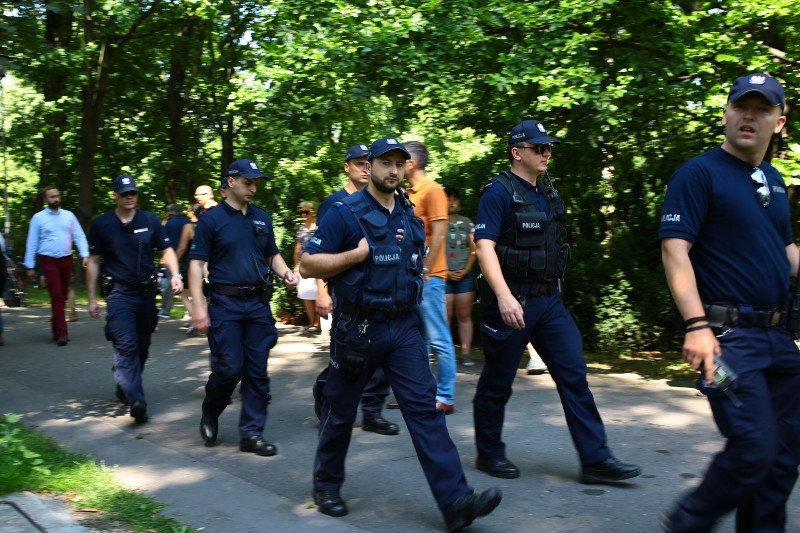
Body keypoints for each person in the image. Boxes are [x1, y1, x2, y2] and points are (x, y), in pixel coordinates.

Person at [301, 137, 501, 531]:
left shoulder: (409, 213)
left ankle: (456, 501)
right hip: (358, 328)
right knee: (341, 412)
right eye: (385, 163)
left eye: (399, 163)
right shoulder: (344, 211)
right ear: (370, 166)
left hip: (404, 327)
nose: (393, 170)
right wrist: (354, 256)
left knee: (426, 412)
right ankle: (326, 488)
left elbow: (417, 259)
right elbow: (308, 264)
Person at [659, 73, 800, 532]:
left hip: (779, 338)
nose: (750, 116)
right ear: (726, 114)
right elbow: (674, 250)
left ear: (779, 122)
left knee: (783, 456)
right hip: (726, 341)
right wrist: (696, 325)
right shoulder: (698, 174)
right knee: (753, 446)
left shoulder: (773, 181)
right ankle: (688, 520)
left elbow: (786, 252)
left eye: (762, 110)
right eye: (742, 106)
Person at [472, 119, 641, 484]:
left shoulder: (546, 192)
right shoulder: (498, 192)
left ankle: (595, 460)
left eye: (548, 147)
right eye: (539, 148)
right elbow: (483, 246)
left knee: (574, 376)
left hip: (549, 302)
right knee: (497, 381)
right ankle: (489, 453)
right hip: (513, 300)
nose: (547, 153)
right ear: (518, 153)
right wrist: (503, 297)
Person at [189, 158, 297, 456]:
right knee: (229, 368)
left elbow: (272, 255)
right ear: (231, 182)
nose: (253, 188)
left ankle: (251, 434)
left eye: (256, 183)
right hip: (225, 304)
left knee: (257, 372)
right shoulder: (211, 220)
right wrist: (199, 307)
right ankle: (211, 410)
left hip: (257, 304)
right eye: (248, 182)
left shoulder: (262, 218)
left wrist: (286, 272)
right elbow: (196, 265)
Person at [312, 144, 398, 437]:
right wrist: (322, 294)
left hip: (384, 295)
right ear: (347, 167)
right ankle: (326, 389)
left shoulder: (385, 200)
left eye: (367, 162)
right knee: (351, 354)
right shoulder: (335, 205)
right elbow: (316, 255)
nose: (364, 167)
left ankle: (373, 412)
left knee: (382, 355)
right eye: (358, 163)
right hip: (348, 294)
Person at [86, 174, 183, 423]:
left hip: (146, 293)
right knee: (126, 345)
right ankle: (137, 399)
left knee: (142, 346)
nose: (130, 197)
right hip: (119, 294)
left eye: (133, 193)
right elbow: (94, 261)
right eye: (124, 193)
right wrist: (91, 298)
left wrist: (175, 274)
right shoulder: (101, 224)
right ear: (115, 195)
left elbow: (167, 250)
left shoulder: (150, 220)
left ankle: (124, 385)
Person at [404, 141, 458, 414]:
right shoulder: (409, 192)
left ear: (411, 163)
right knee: (418, 339)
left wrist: (425, 269)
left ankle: (445, 397)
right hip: (414, 277)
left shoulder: (433, 190)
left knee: (439, 338)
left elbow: (438, 234)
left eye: (401, 160)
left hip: (430, 277)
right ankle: (420, 393)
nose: (397, 166)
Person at [23, 185, 89, 346]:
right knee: (57, 295)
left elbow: (79, 235)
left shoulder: (69, 216)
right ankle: (62, 333)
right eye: (52, 197)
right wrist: (30, 265)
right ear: (45, 199)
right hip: (48, 260)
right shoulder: (38, 218)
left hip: (66, 259)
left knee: (63, 295)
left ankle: (56, 328)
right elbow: (32, 242)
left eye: (57, 196)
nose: (56, 199)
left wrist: (84, 254)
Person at [444, 187, 477, 367]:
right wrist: (446, 272)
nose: (452, 202)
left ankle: (466, 353)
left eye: (455, 199)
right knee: (445, 315)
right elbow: (433, 250)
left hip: (465, 274)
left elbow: (475, 250)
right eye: (448, 199)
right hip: (443, 274)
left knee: (464, 315)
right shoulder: (438, 223)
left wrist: (464, 271)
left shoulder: (467, 223)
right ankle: (446, 354)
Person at [158, 203, 190, 319]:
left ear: (170, 212)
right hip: (187, 259)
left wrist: (165, 219)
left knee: (167, 284)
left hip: (172, 258)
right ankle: (190, 313)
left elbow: (160, 238)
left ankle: (165, 310)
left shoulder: (168, 224)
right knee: (188, 287)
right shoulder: (188, 222)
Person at [294, 201, 320, 331]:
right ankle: (312, 322)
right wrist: (295, 266)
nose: (303, 214)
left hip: (318, 264)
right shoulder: (301, 229)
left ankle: (320, 324)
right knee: (306, 295)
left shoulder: (319, 227)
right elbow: (298, 248)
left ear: (313, 212)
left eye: (306, 212)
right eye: (301, 212)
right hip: (303, 265)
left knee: (317, 293)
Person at [175, 203, 201, 333]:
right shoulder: (206, 226)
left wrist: (174, 260)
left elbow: (182, 248)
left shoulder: (189, 227)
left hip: (188, 263)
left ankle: (196, 320)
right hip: (204, 263)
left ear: (191, 212)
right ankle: (202, 319)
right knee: (199, 294)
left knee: (184, 294)